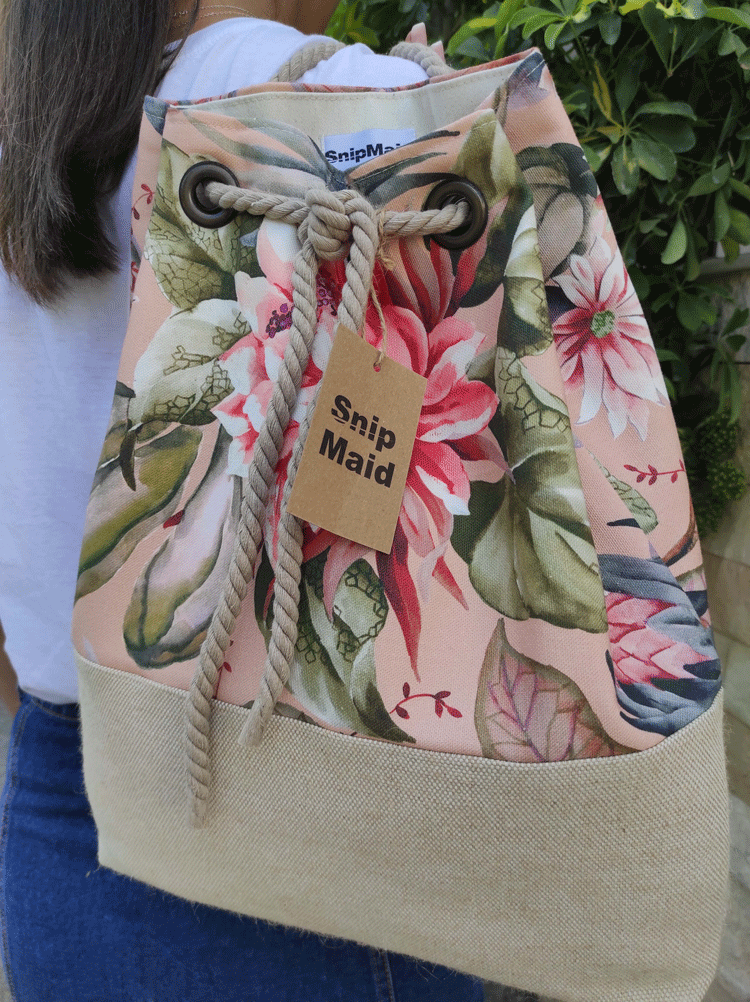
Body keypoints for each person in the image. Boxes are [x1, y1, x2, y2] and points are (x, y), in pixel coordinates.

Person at [0, 2, 490, 999]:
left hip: (60, 808)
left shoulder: (29, 123)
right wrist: (427, 100)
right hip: (310, 831)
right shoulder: (349, 100)